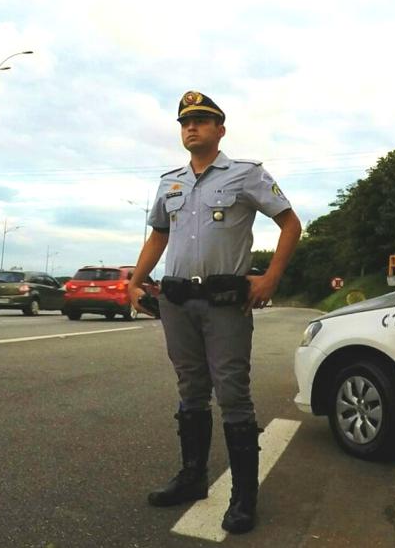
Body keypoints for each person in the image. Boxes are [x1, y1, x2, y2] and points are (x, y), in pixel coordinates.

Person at [128, 90, 302, 534]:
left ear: (219, 130)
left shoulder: (246, 174)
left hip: (225, 303)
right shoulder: (171, 182)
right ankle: (192, 477)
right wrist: (134, 280)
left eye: (202, 120)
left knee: (232, 393)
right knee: (190, 389)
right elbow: (158, 237)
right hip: (177, 302)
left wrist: (271, 279)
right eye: (186, 121)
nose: (192, 127)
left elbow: (290, 223)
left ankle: (244, 496)